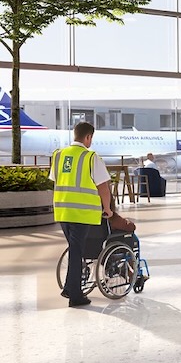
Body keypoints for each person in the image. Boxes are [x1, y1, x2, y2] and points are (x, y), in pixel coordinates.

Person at [50, 121, 114, 307]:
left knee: (74, 249)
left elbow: (56, 180)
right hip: (82, 213)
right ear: (88, 137)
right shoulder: (90, 157)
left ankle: (70, 288)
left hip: (62, 211)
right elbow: (103, 186)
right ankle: (74, 295)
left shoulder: (59, 155)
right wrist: (108, 208)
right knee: (77, 251)